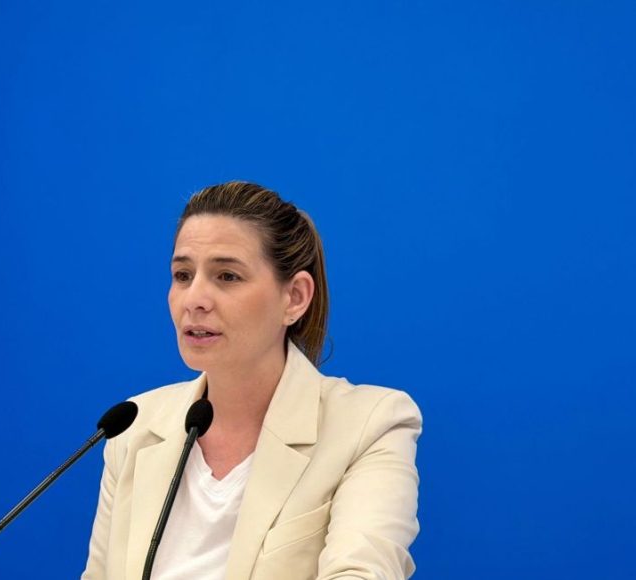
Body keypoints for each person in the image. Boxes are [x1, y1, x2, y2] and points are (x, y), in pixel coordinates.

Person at [81, 181, 422, 580]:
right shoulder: (134, 427)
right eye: (183, 275)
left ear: (295, 297)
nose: (194, 299)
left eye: (227, 276)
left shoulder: (370, 425)